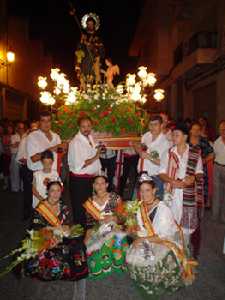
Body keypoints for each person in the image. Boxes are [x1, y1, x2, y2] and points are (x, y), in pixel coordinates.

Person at [126, 173, 196, 299]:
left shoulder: (163, 209)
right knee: (134, 256)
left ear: (154, 190)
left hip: (165, 241)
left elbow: (162, 236)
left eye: (147, 190)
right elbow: (142, 228)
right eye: (142, 191)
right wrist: (135, 229)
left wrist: (142, 239)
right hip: (148, 238)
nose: (144, 194)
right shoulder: (140, 206)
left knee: (151, 261)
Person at [24, 181, 88, 284]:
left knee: (79, 244)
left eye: (58, 190)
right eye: (52, 190)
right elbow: (37, 228)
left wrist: (67, 228)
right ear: (47, 192)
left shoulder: (63, 205)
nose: (55, 193)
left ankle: (77, 270)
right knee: (57, 253)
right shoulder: (40, 208)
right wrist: (54, 230)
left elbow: (69, 222)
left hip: (61, 235)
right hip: (44, 237)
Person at [159, 124, 204, 249]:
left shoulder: (195, 153)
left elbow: (199, 172)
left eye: (176, 135)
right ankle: (171, 249)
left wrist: (193, 178)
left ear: (185, 137)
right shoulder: (168, 153)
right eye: (173, 135)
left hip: (188, 192)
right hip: (171, 191)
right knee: (170, 220)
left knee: (186, 224)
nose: (173, 137)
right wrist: (172, 181)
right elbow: (162, 173)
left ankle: (184, 249)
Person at [83, 175, 128, 279]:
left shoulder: (114, 198)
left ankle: (115, 263)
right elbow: (89, 223)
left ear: (107, 185)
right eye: (97, 184)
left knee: (110, 242)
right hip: (97, 230)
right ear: (93, 186)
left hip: (115, 229)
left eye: (102, 183)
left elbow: (124, 218)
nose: (100, 186)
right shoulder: (90, 202)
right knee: (89, 246)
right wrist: (87, 235)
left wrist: (114, 218)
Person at [25, 111, 66, 221]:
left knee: (53, 206)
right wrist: (54, 148)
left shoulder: (56, 136)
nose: (46, 123)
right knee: (40, 207)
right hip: (38, 174)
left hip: (53, 174)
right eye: (43, 121)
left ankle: (53, 232)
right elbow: (33, 158)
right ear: (39, 122)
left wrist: (64, 149)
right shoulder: (33, 136)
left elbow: (58, 155)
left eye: (48, 121)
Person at [68, 117, 101, 225]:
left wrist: (98, 150)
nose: (86, 129)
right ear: (79, 127)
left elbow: (91, 153)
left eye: (88, 126)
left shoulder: (89, 137)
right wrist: (97, 156)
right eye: (83, 126)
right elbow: (80, 165)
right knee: (79, 209)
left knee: (87, 207)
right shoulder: (76, 142)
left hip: (88, 179)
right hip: (79, 181)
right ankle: (79, 236)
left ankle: (84, 232)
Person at [134, 115, 170, 200]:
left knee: (155, 203)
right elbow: (140, 149)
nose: (152, 127)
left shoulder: (165, 142)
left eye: (155, 124)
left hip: (155, 176)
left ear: (161, 125)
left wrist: (148, 156)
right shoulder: (146, 135)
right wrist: (137, 148)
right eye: (150, 124)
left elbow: (163, 163)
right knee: (140, 202)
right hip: (142, 174)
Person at [75, 13, 104, 89]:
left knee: (96, 73)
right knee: (84, 75)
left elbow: (101, 50)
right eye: (88, 24)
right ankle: (84, 87)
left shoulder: (97, 36)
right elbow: (79, 49)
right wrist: (81, 41)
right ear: (86, 25)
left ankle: (97, 87)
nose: (90, 25)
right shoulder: (84, 36)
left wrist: (93, 46)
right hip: (85, 59)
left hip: (94, 58)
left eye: (91, 24)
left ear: (94, 25)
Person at [212, 120, 225, 223]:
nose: (223, 131)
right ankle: (215, 216)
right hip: (217, 167)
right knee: (217, 193)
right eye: (221, 129)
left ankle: (224, 217)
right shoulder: (217, 142)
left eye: (224, 129)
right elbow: (214, 155)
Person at [10, 122, 26, 192]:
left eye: (22, 128)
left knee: (24, 173)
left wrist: (17, 144)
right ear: (17, 128)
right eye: (20, 128)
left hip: (24, 156)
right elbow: (12, 147)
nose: (21, 129)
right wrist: (19, 144)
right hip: (15, 155)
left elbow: (16, 145)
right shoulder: (13, 136)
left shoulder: (26, 136)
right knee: (15, 172)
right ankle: (15, 188)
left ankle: (23, 188)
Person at [2, 124, 14, 190]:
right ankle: (6, 184)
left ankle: (11, 184)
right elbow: (4, 146)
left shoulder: (14, 136)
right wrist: (11, 145)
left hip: (13, 155)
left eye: (11, 128)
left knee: (12, 170)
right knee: (6, 170)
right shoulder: (4, 136)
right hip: (6, 155)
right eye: (9, 129)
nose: (10, 130)